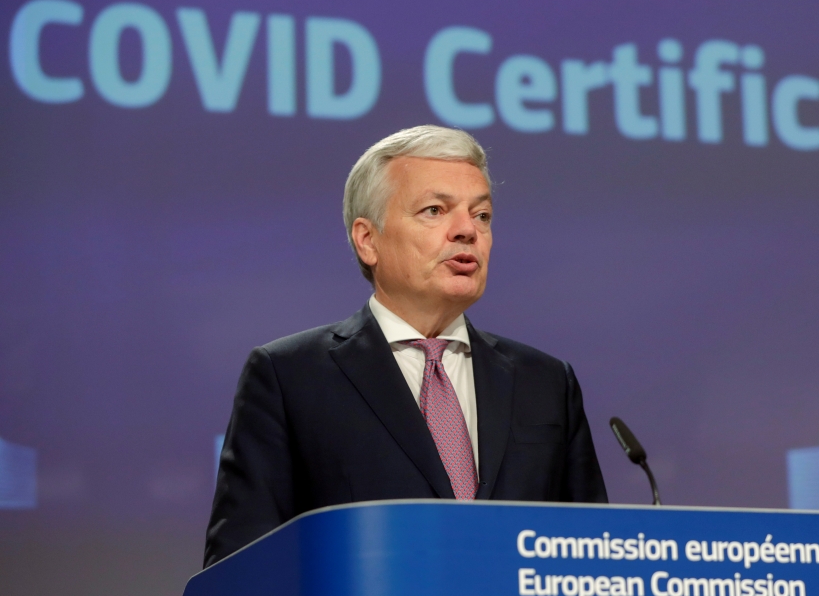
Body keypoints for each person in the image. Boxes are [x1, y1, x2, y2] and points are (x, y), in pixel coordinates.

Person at [204, 125, 607, 567]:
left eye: (482, 215)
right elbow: (240, 569)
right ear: (367, 240)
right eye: (435, 210)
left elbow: (592, 561)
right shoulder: (289, 377)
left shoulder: (546, 382)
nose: (466, 231)